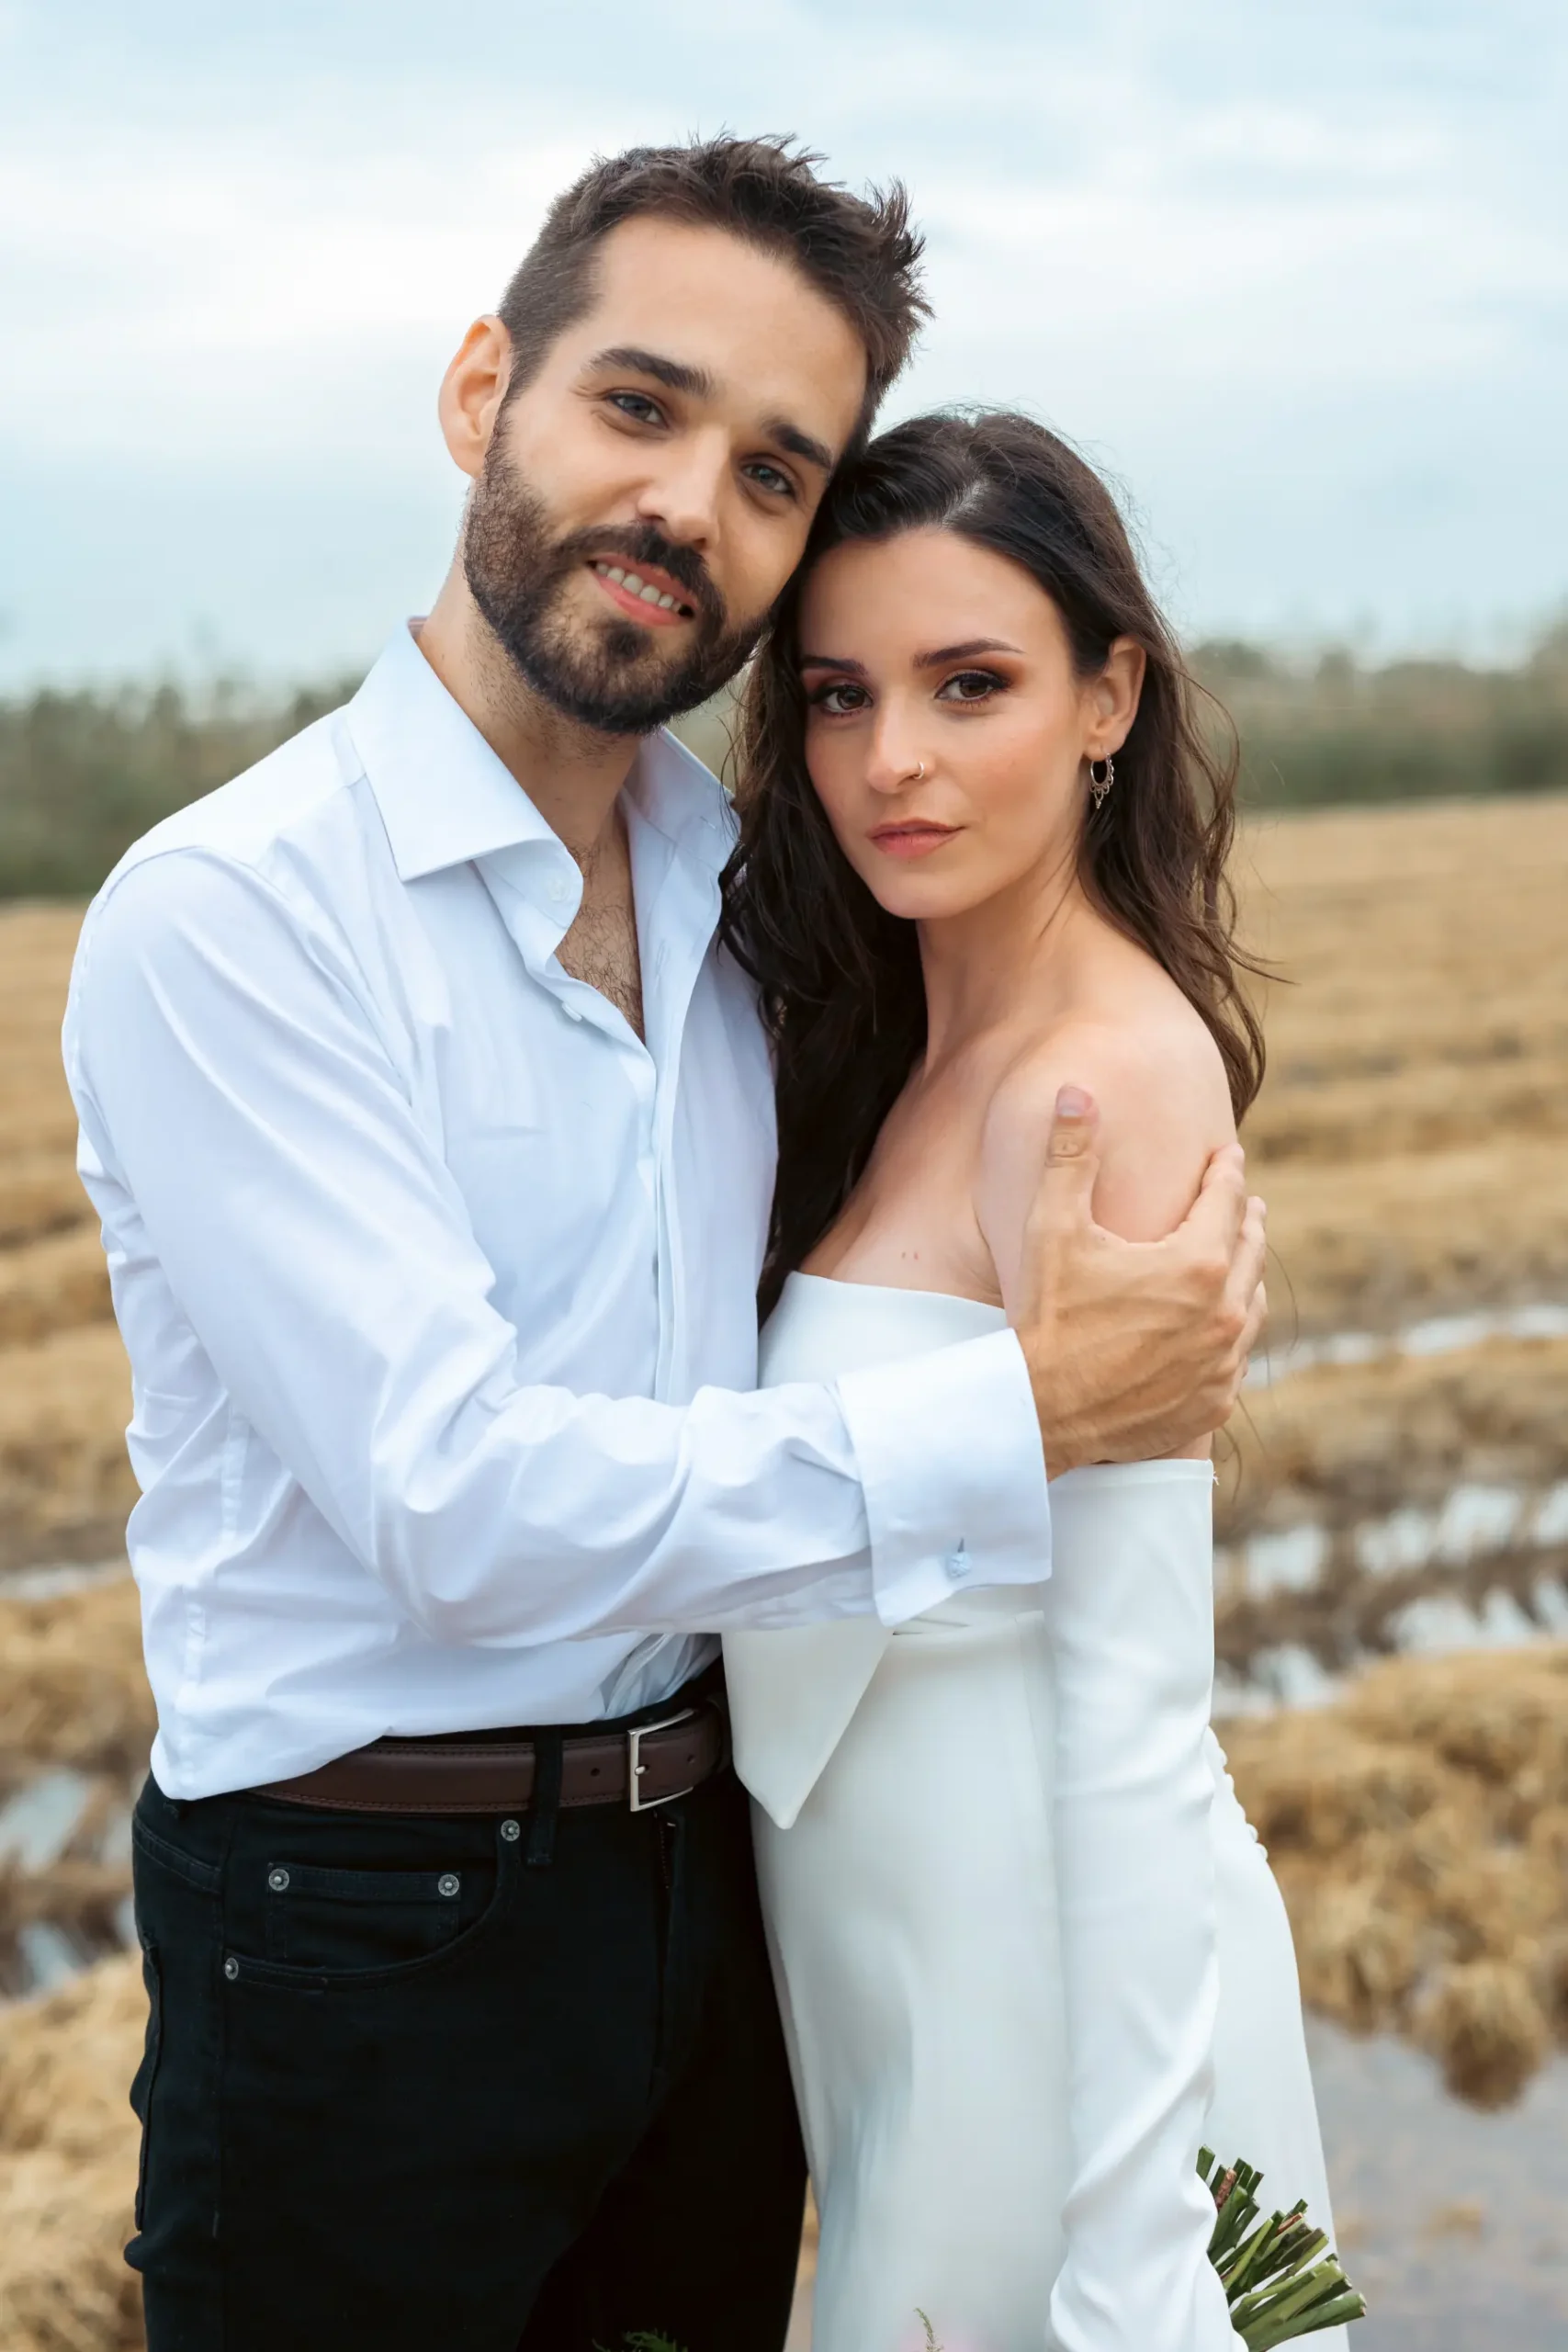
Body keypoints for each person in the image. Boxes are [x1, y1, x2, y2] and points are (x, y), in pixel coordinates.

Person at [62, 141, 1266, 2352]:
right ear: (480, 392)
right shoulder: (237, 914)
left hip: (721, 1913)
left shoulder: (764, 907)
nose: (688, 503)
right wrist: (1013, 1415)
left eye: (772, 469)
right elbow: (452, 1501)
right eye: (638, 404)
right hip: (363, 1927)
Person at [720, 409, 1340, 2352]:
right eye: (839, 694)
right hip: (897, 1972)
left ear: (1108, 700)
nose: (888, 759)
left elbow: (1142, 1719)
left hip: (1056, 2009)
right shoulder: (901, 1051)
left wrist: (1138, 2264)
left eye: (967, 683)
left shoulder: (1099, 1082)